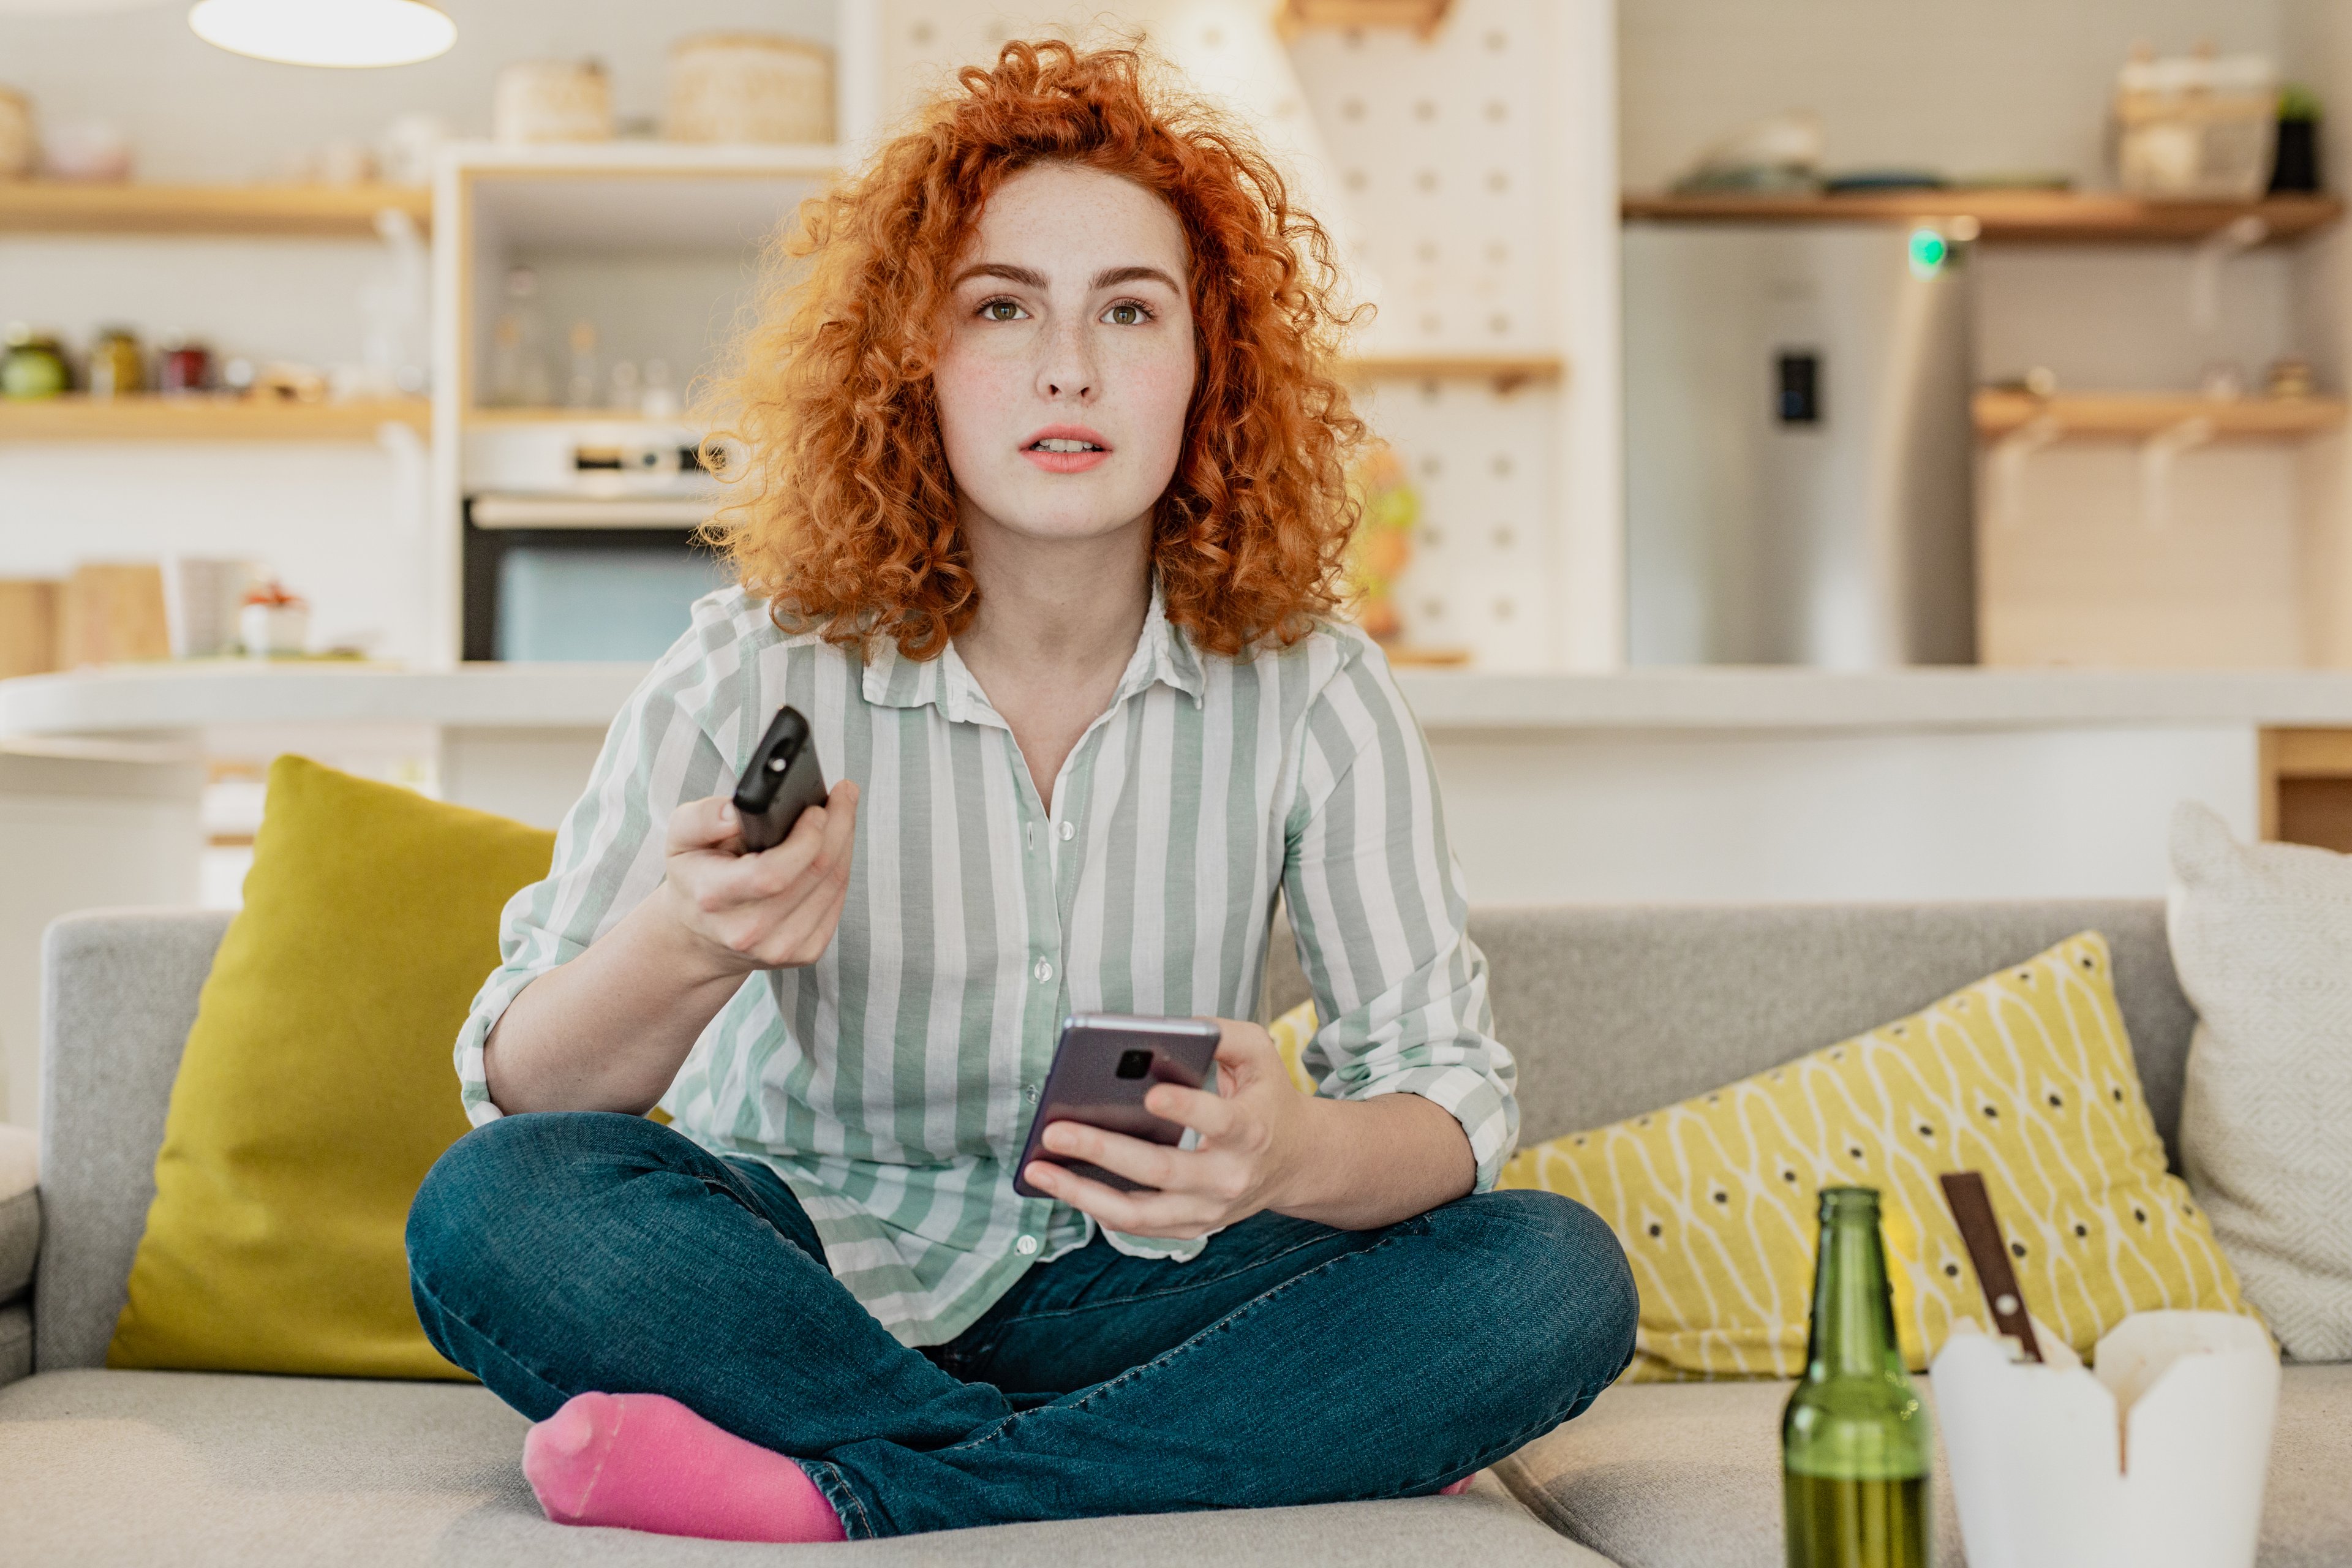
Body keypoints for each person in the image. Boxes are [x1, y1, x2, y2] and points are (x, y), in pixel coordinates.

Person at [405, 40, 1637, 1545]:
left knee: (1552, 1273)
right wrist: (691, 938)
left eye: (1130, 308)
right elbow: (521, 1089)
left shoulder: (1313, 685)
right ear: (913, 363)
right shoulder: (756, 664)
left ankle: (854, 1487)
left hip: (1138, 1281)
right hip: (792, 1276)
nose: (1071, 367)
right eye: (1002, 308)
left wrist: (1296, 1150)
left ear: (1210, 363)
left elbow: (1449, 1092)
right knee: (494, 1208)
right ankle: (1179, 1449)